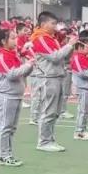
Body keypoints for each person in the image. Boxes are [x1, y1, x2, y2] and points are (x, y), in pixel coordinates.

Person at [31, 12, 76, 153]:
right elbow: (55, 57)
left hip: (56, 76)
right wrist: (68, 45)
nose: (55, 26)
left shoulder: (52, 39)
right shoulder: (40, 38)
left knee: (55, 111)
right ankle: (44, 141)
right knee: (48, 110)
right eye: (53, 23)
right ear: (44, 24)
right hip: (47, 78)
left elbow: (62, 57)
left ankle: (49, 139)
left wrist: (70, 47)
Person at [0, 29, 29, 167]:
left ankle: (8, 153)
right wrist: (27, 65)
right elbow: (12, 75)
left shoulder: (12, 54)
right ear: (3, 41)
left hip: (16, 94)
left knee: (11, 127)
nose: (16, 41)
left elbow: (21, 73)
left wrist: (29, 65)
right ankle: (3, 155)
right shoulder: (2, 56)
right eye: (12, 38)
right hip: (7, 94)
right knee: (5, 126)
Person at [70, 34, 88, 141]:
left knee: (87, 111)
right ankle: (79, 131)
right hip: (83, 88)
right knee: (83, 111)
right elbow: (83, 73)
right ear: (80, 47)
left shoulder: (84, 57)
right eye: (87, 47)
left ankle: (83, 129)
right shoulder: (77, 57)